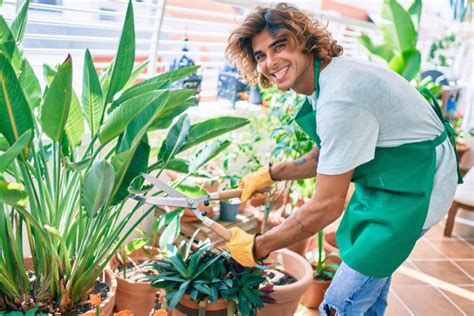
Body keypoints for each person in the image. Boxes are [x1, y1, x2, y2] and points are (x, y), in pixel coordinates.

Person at [224, 3, 462, 315]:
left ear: (303, 40)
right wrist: (271, 174)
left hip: (418, 187)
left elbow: (325, 206)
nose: (270, 61)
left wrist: (259, 246)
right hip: (390, 178)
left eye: (279, 45)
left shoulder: (339, 98)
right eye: (260, 55)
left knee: (341, 303)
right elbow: (327, 155)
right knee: (371, 290)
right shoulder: (324, 79)